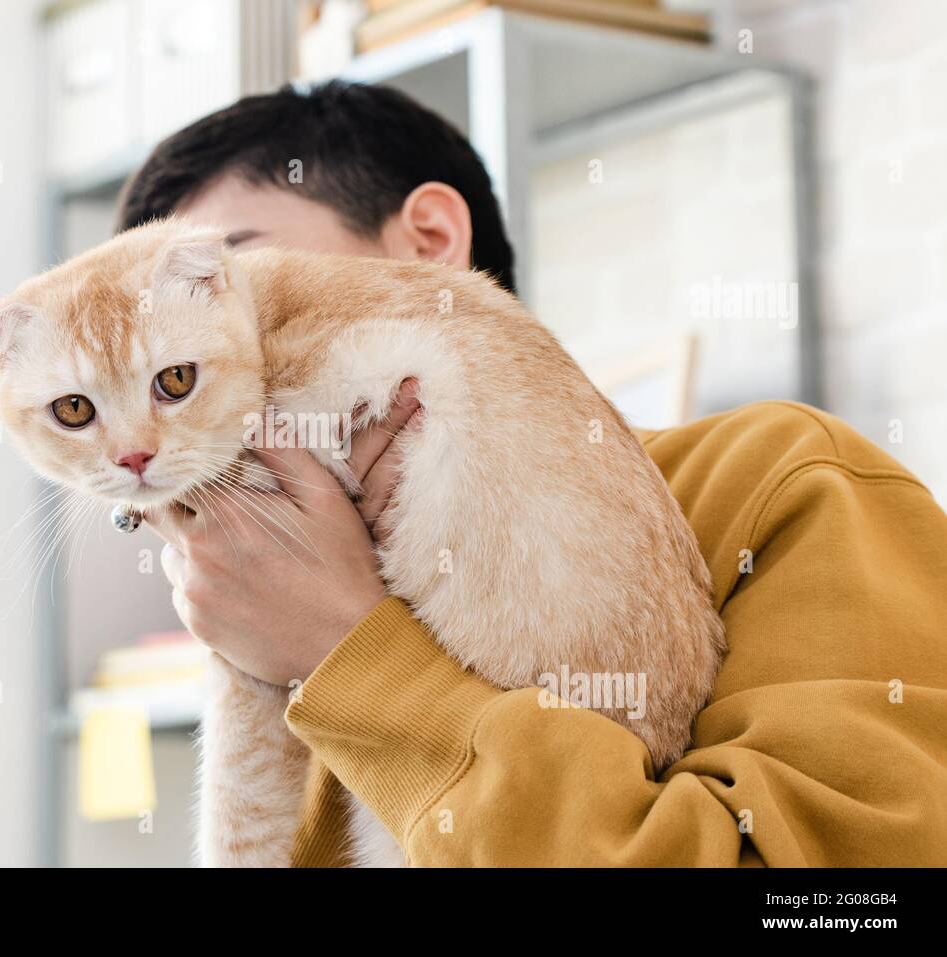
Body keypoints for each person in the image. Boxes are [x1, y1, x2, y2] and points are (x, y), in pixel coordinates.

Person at [116, 81, 947, 866]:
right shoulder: (256, 638)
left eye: (223, 277)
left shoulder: (775, 479)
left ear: (431, 244)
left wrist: (348, 650)